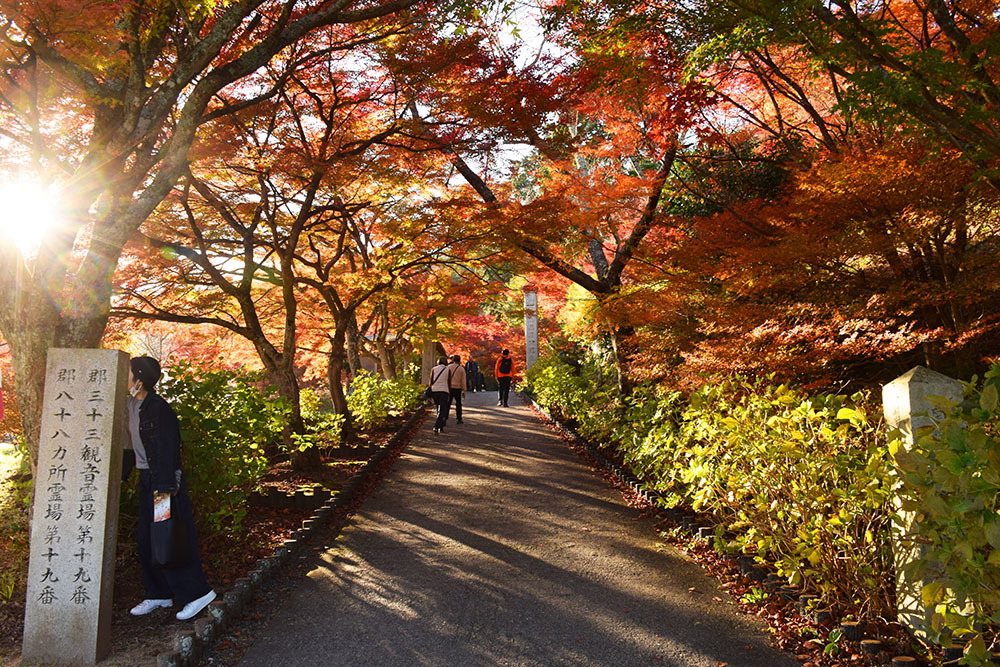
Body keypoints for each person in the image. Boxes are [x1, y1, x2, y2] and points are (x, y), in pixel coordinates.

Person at [125, 356, 217, 621]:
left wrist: (165, 489)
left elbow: (168, 451)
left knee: (168, 539)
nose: (125, 377)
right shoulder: (131, 404)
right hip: (146, 480)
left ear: (139, 379)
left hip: (163, 482)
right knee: (146, 539)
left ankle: (197, 594)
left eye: (128, 373)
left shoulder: (159, 409)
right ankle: (158, 593)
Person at [429, 356, 452, 434]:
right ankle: (436, 426)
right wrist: (449, 393)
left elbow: (431, 381)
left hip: (435, 390)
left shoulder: (433, 369)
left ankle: (440, 426)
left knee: (438, 408)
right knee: (442, 409)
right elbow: (449, 382)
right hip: (444, 391)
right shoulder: (448, 370)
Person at [448, 355, 467, 424]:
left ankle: (445, 417)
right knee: (458, 403)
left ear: (453, 360)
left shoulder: (448, 367)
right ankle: (459, 418)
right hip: (457, 388)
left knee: (448, 403)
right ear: (459, 361)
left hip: (449, 388)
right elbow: (463, 381)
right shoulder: (461, 369)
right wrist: (464, 391)